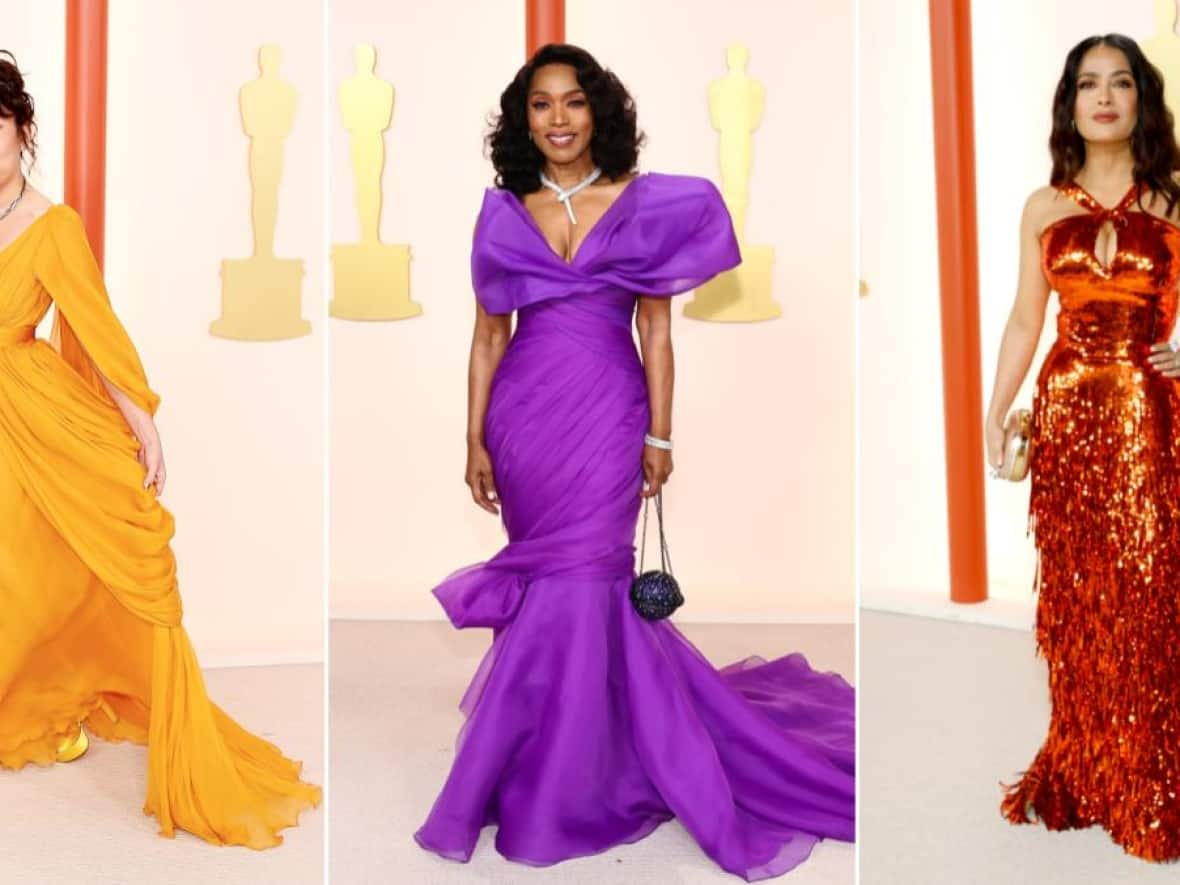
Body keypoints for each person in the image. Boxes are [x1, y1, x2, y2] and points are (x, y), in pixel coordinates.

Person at [413, 43, 855, 881]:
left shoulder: (644, 206)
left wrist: (661, 432)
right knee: (551, 585)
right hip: (525, 417)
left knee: (589, 577)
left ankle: (574, 773)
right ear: (522, 121)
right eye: (540, 105)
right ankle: (558, 752)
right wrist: (472, 436)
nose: (558, 119)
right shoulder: (505, 212)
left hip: (611, 411)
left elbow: (656, 329)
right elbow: (485, 336)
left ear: (599, 112)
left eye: (573, 102)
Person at [0, 51, 319, 848]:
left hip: (23, 404)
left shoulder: (53, 225)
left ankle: (47, 691)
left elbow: (99, 332)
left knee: (32, 565)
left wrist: (143, 425)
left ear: (22, 130)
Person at [986, 34, 1180, 861]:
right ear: (1070, 104)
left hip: (1146, 413)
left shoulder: (1174, 200)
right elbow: (1028, 318)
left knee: (1147, 597)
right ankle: (1087, 764)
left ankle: (1151, 779)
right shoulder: (1042, 204)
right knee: (1077, 604)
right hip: (1066, 415)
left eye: (1121, 83)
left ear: (1143, 99)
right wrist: (997, 415)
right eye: (1088, 85)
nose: (1104, 97)